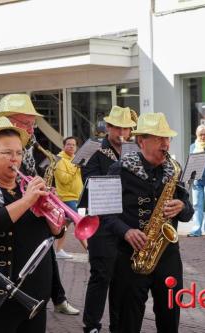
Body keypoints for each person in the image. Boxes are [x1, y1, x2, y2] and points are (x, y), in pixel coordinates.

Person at [0, 94, 80, 316]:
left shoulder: (27, 160)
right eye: (26, 124)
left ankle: (57, 295)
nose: (31, 130)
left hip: (33, 284)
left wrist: (52, 215)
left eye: (32, 125)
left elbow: (42, 221)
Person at [104, 112, 194, 333]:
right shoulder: (119, 169)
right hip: (130, 256)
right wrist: (125, 231)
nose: (166, 144)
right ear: (141, 141)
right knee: (128, 320)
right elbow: (104, 214)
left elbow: (188, 212)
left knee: (170, 317)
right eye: (159, 138)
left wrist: (182, 207)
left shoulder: (174, 169)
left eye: (168, 138)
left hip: (168, 256)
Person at [81, 105, 137, 333]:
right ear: (109, 127)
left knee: (122, 280)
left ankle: (118, 324)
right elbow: (90, 182)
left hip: (124, 221)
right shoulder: (94, 151)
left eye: (127, 129)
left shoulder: (134, 150)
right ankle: (91, 325)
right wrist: (120, 165)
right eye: (119, 128)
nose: (123, 133)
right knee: (101, 275)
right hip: (101, 222)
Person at [54, 136, 85, 258]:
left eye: (73, 145)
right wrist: (76, 167)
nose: (71, 147)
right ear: (63, 146)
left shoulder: (74, 159)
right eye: (68, 144)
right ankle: (88, 249)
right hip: (67, 198)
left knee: (65, 226)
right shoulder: (60, 160)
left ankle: (58, 250)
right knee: (80, 223)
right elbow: (64, 180)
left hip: (77, 197)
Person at [187, 125, 205, 237]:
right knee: (196, 205)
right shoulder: (193, 146)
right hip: (196, 179)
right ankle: (196, 229)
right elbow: (191, 161)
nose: (203, 136)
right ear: (197, 135)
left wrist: (204, 154)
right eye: (201, 134)